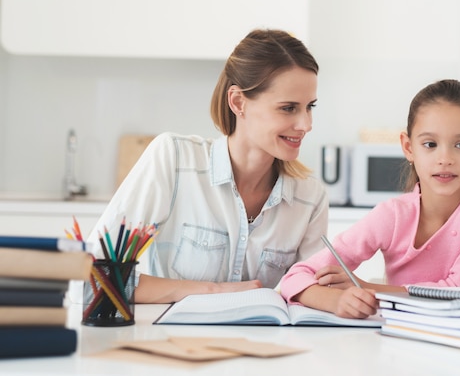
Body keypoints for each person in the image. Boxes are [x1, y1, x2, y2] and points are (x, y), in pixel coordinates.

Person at [87, 29, 328, 304]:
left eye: (310, 107)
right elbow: (92, 276)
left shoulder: (310, 198)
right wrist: (212, 291)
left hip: (264, 346)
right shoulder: (174, 160)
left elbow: (310, 294)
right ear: (238, 102)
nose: (306, 125)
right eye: (288, 108)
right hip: (175, 344)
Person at [279, 79, 460, 319]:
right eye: (430, 144)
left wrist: (368, 289)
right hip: (401, 339)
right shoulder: (392, 216)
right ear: (408, 147)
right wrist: (335, 300)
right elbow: (295, 277)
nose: (445, 158)